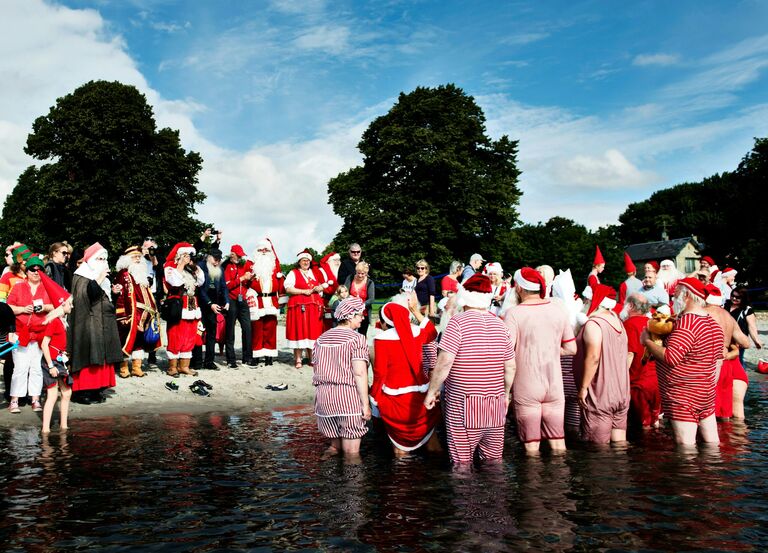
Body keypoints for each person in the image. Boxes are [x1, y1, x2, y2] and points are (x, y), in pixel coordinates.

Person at [424, 274, 516, 467]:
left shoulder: (457, 324)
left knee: (462, 464)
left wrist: (431, 392)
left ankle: (466, 498)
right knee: (493, 462)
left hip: (463, 404)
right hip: (495, 402)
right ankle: (497, 497)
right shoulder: (500, 325)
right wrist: (506, 395)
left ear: (464, 297)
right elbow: (510, 366)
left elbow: (444, 363)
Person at [644, 278, 724, 446]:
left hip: (682, 396)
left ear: (686, 295)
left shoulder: (687, 323)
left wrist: (648, 342)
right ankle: (715, 473)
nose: (673, 297)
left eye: (676, 293)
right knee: (711, 444)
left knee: (686, 448)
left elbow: (671, 357)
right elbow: (718, 362)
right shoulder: (712, 323)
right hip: (706, 394)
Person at [505, 267, 576, 454]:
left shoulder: (513, 313)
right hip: (554, 384)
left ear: (519, 288)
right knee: (558, 443)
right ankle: (562, 483)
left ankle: (532, 483)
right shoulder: (558, 310)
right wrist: (551, 349)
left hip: (527, 385)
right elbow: (571, 348)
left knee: (531, 447)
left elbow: (507, 352)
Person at [371, 295, 441, 457]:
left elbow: (380, 372)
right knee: (433, 444)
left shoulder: (381, 338)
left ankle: (404, 479)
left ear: (384, 322)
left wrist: (374, 396)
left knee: (400, 449)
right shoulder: (416, 332)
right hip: (422, 395)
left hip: (396, 399)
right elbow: (432, 332)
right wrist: (415, 311)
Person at [312, 296, 371, 459]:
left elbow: (316, 367)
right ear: (351, 316)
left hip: (324, 398)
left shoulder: (320, 339)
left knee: (334, 447)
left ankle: (328, 477)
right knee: (351, 455)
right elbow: (359, 373)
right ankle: (351, 483)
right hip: (347, 397)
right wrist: (365, 404)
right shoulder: (357, 339)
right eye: (360, 314)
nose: (363, 317)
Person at [574, 285, 630, 444]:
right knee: (620, 444)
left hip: (600, 393)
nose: (584, 302)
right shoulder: (618, 321)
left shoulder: (594, 324)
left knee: (597, 448)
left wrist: (583, 388)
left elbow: (593, 357)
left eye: (586, 299)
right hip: (621, 392)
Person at [68, 243, 123, 403]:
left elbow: (104, 299)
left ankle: (97, 389)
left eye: (105, 258)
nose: (103, 262)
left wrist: (114, 293)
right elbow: (86, 297)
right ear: (90, 259)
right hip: (88, 323)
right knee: (88, 353)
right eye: (99, 258)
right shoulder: (81, 275)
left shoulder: (102, 276)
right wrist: (99, 278)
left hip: (103, 322)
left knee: (102, 355)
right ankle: (82, 391)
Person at [7, 256, 54, 413]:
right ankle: (14, 400)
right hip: (20, 333)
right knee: (20, 367)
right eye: (32, 269)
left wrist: (45, 307)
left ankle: (35, 399)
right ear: (26, 271)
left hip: (40, 333)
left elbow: (56, 306)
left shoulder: (47, 288)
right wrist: (22, 309)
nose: (36, 272)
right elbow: (8, 308)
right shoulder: (18, 287)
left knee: (36, 368)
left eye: (39, 269)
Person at [114, 246, 161, 378]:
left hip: (144, 315)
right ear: (126, 260)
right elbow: (120, 298)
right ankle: (123, 368)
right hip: (130, 314)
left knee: (139, 341)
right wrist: (122, 315)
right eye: (134, 257)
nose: (138, 259)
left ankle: (136, 367)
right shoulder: (123, 275)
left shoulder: (143, 277)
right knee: (126, 340)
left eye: (139, 257)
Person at [704, 286, 750, 420]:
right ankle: (739, 440)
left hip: (712, 366)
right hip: (732, 368)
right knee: (732, 416)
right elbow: (746, 343)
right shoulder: (728, 317)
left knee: (709, 416)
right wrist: (729, 341)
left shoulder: (701, 312)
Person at [163, 242, 205, 377]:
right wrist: (180, 264)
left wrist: (194, 267)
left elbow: (201, 282)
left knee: (190, 334)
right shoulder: (170, 267)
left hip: (192, 303)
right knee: (176, 334)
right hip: (178, 304)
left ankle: (184, 366)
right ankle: (172, 367)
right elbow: (174, 282)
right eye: (185, 255)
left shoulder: (191, 269)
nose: (188, 258)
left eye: (189, 255)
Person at [621, 293, 661, 429]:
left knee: (643, 425)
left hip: (638, 382)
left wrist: (620, 378)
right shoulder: (652, 324)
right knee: (655, 422)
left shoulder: (629, 324)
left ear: (631, 306)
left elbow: (630, 354)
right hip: (656, 381)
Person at [285, 249, 326, 368]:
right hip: (299, 306)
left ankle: (311, 358)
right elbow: (288, 288)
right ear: (299, 262)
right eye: (304, 260)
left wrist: (319, 289)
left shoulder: (314, 273)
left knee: (312, 331)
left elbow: (321, 286)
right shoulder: (293, 273)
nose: (306, 262)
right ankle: (298, 358)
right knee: (299, 330)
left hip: (314, 306)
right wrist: (303, 291)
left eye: (308, 260)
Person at [248, 239, 285, 366]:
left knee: (270, 328)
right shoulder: (250, 264)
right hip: (257, 300)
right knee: (257, 329)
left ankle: (269, 355)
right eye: (261, 249)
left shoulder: (274, 265)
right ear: (256, 251)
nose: (263, 252)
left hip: (271, 301)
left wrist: (282, 298)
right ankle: (256, 355)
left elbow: (280, 283)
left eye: (266, 250)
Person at [41, 297, 73, 433]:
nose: (72, 307)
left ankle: (63, 426)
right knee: (53, 395)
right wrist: (50, 366)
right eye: (70, 304)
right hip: (52, 362)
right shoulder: (54, 322)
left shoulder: (62, 321)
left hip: (59, 361)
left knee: (66, 392)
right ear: (62, 305)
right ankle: (45, 429)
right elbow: (44, 344)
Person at [196, 248, 229, 370]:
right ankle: (197, 361)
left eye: (219, 260)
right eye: (215, 259)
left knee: (212, 333)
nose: (217, 262)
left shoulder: (220, 269)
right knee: (198, 332)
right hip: (201, 304)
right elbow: (199, 290)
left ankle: (209, 361)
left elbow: (224, 287)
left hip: (214, 305)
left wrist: (226, 301)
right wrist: (210, 303)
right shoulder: (200, 266)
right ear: (209, 257)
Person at [223, 244, 254, 368]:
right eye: (238, 255)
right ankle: (231, 360)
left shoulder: (242, 266)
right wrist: (241, 278)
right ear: (232, 254)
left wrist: (250, 279)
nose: (240, 258)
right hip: (231, 300)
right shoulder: (226, 267)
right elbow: (226, 286)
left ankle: (247, 358)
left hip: (243, 300)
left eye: (241, 256)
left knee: (247, 328)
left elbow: (246, 284)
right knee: (230, 330)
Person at [726, 287, 762, 366]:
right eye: (732, 295)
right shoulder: (725, 304)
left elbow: (752, 327)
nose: (734, 298)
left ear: (743, 298)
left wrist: (756, 340)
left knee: (738, 361)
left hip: (738, 340)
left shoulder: (747, 310)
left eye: (738, 297)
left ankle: (741, 377)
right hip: (725, 339)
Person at [344, 261, 375, 337]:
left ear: (366, 273)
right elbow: (344, 292)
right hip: (350, 311)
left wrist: (361, 305)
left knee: (362, 335)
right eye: (358, 273)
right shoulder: (350, 278)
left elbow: (371, 299)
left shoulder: (370, 282)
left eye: (363, 273)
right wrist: (350, 300)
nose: (360, 275)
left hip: (364, 313)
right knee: (349, 335)